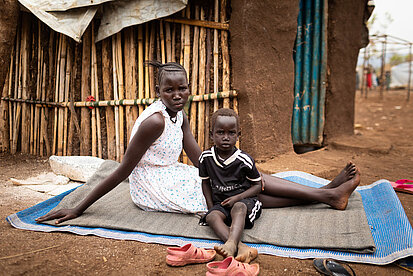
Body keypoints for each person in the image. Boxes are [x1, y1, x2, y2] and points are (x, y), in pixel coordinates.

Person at [36, 61, 360, 261]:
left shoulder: (180, 114)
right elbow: (123, 169)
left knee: (239, 179)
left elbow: (198, 158)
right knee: (239, 192)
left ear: (188, 88)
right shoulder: (155, 122)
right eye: (169, 90)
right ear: (158, 91)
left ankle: (327, 194)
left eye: (183, 88)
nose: (178, 94)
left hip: (175, 172)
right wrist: (78, 208)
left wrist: (228, 166)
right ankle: (326, 195)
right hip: (153, 185)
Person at [199, 108, 262, 263]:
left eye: (231, 133)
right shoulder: (206, 158)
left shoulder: (244, 159)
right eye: (220, 132)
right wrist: (210, 208)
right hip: (221, 203)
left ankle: (232, 244)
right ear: (211, 134)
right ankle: (240, 247)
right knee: (212, 217)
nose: (226, 138)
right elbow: (205, 182)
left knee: (238, 207)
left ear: (238, 135)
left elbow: (258, 186)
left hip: (244, 202)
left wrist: (238, 197)